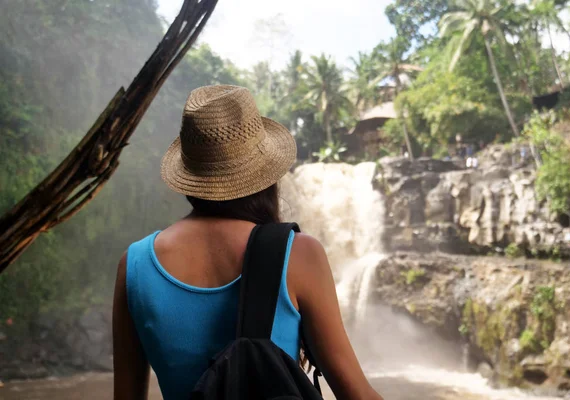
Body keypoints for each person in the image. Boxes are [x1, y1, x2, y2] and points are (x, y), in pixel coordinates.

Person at [112, 85, 382, 400]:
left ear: (190, 173)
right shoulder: (298, 253)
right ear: (265, 173)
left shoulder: (134, 265)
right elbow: (357, 395)